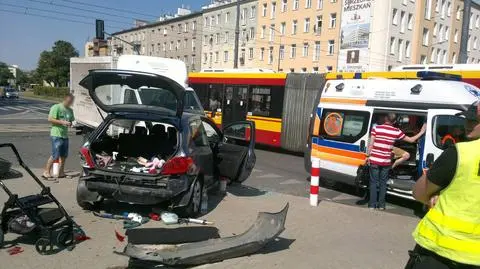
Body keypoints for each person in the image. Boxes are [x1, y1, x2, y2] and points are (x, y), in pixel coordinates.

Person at [405, 101, 480, 269]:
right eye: (467, 120)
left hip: (440, 254)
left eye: (475, 121)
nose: (468, 125)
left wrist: (435, 194)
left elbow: (418, 192)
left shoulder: (462, 152)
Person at [367, 113, 426, 210]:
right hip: (386, 162)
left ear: (385, 118)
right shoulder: (396, 131)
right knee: (383, 183)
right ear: (394, 121)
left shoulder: (376, 129)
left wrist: (368, 156)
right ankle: (381, 205)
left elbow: (371, 145)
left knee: (373, 183)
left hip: (374, 160)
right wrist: (421, 131)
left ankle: (372, 205)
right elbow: (411, 140)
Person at [42, 94, 75, 179]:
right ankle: (46, 172)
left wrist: (71, 124)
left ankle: (61, 172)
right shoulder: (56, 107)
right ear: (65, 100)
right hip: (56, 134)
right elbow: (50, 119)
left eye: (71, 102)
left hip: (65, 135)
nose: (70, 103)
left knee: (64, 155)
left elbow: (71, 121)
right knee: (55, 155)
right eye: (69, 101)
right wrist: (63, 122)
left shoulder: (70, 110)